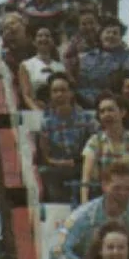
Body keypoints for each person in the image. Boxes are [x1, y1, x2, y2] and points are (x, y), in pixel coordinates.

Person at [50, 162, 129, 259]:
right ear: (104, 186)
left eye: (128, 189)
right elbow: (57, 252)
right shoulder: (82, 216)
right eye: (117, 188)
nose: (123, 194)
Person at [80, 92, 129, 204]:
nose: (106, 114)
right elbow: (86, 179)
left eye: (110, 110)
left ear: (122, 112)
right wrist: (84, 203)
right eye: (102, 111)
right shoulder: (94, 141)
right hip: (102, 197)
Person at [38, 72, 97, 201]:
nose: (59, 94)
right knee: (46, 173)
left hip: (83, 165)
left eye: (63, 90)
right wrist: (61, 163)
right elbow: (46, 156)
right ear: (50, 95)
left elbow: (96, 147)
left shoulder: (87, 119)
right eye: (55, 91)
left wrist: (79, 161)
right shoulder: (46, 123)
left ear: (71, 93)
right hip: (57, 168)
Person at [76, 17, 129, 104]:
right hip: (88, 101)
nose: (111, 36)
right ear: (101, 35)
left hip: (117, 103)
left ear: (120, 38)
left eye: (115, 33)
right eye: (108, 32)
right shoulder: (85, 57)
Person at [18, 26, 66, 110]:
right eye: (40, 36)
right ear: (34, 42)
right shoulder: (26, 65)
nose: (44, 38)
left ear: (52, 41)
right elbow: (26, 96)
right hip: (37, 110)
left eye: (47, 36)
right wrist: (38, 112)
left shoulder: (61, 67)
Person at [62, 5, 100, 78]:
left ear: (97, 23)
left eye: (91, 23)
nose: (89, 27)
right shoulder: (74, 42)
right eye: (84, 24)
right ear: (79, 26)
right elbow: (66, 60)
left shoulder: (103, 39)